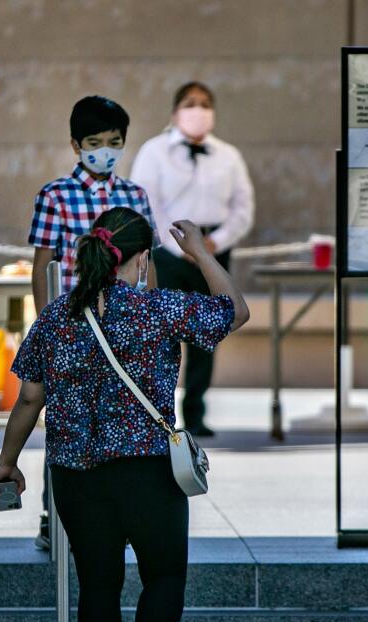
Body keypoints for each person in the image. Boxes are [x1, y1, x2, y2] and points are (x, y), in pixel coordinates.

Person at [0, 208, 249, 622]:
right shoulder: (156, 309)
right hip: (149, 470)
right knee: (165, 575)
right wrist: (200, 253)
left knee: (98, 585)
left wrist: (7, 462)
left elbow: (29, 399)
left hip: (77, 476)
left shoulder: (56, 317)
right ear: (141, 258)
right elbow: (234, 312)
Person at [27, 95, 158, 550]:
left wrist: (152, 318)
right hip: (73, 328)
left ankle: (119, 516)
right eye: (95, 142)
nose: (106, 150)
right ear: (75, 144)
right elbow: (42, 264)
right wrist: (47, 329)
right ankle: (55, 513)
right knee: (66, 422)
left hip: (127, 329)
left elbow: (149, 264)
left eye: (115, 141)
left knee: (122, 421)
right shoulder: (56, 195)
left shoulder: (134, 195)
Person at [130, 81, 254, 437]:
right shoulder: (154, 152)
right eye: (189, 104)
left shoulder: (229, 156)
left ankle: (196, 412)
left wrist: (212, 244)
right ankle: (160, 411)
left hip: (213, 250)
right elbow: (146, 202)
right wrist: (178, 248)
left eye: (204, 104)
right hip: (169, 250)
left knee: (209, 331)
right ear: (175, 112)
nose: (197, 110)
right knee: (162, 331)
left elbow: (242, 209)